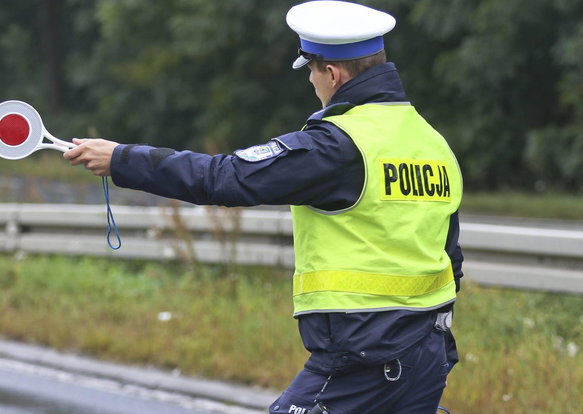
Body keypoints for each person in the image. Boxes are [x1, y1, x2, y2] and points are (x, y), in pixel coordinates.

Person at [64, 1, 463, 413]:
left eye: (311, 70)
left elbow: (226, 177)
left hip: (363, 357)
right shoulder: (432, 143)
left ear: (332, 73)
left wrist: (122, 158)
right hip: (426, 353)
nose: (312, 82)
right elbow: (450, 258)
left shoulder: (337, 145)